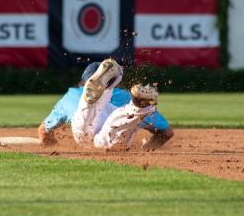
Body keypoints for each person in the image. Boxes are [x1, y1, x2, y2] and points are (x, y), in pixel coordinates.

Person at [38, 59, 174, 150]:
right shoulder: (124, 95)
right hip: (110, 135)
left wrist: (56, 150)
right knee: (121, 121)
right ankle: (139, 107)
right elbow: (166, 133)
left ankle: (92, 99)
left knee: (85, 113)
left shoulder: (71, 95)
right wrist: (144, 151)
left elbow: (43, 132)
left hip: (83, 131)